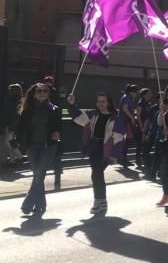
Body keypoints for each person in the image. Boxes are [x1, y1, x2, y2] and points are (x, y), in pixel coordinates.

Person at [65, 92, 124, 216]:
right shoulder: (93, 114)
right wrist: (72, 104)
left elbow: (119, 138)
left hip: (106, 149)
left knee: (96, 173)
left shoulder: (116, 118)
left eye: (103, 101)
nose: (100, 104)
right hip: (94, 147)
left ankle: (101, 202)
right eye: (98, 101)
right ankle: (100, 202)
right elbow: (78, 117)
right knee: (96, 174)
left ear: (108, 103)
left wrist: (115, 155)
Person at [16, 83, 63, 216]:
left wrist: (57, 133)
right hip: (32, 146)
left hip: (49, 146)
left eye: (45, 91)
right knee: (38, 175)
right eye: (39, 91)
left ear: (48, 94)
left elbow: (59, 126)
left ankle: (27, 204)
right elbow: (20, 127)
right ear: (34, 94)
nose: (42, 93)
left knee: (39, 173)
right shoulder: (27, 110)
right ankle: (41, 205)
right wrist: (17, 141)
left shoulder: (54, 109)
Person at [117, 84, 141, 168]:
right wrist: (132, 118)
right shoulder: (127, 97)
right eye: (136, 92)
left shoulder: (129, 97)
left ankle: (122, 158)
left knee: (127, 140)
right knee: (126, 140)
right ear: (132, 92)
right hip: (124, 121)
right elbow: (125, 108)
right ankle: (123, 159)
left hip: (126, 121)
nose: (136, 94)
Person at [1, 83, 24, 166]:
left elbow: (11, 114)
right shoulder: (19, 100)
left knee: (8, 142)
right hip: (13, 124)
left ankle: (20, 157)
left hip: (11, 124)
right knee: (9, 141)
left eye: (10, 90)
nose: (9, 91)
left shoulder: (11, 101)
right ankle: (12, 161)